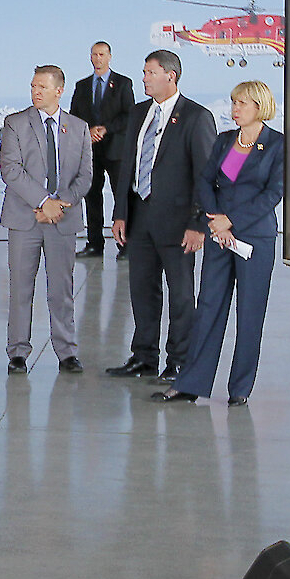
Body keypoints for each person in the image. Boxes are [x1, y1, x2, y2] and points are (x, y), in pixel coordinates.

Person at [155, 81, 286, 406]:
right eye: (233, 102)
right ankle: (190, 383)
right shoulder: (226, 140)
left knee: (250, 312)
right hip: (218, 235)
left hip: (254, 238)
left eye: (241, 103)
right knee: (209, 307)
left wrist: (233, 221)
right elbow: (205, 180)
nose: (235, 108)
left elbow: (272, 193)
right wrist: (216, 219)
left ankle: (239, 388)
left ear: (259, 106)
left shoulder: (276, 145)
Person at [105, 50, 215, 383]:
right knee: (141, 290)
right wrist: (121, 213)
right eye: (143, 72)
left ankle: (180, 361)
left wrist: (198, 225)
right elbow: (127, 167)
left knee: (181, 295)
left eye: (149, 72)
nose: (143, 78)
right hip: (139, 218)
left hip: (179, 225)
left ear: (171, 75)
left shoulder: (197, 117)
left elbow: (206, 176)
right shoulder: (139, 113)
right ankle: (143, 357)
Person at [0, 65, 92, 374]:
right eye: (33, 86)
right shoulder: (15, 124)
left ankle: (66, 352)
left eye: (42, 86)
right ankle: (17, 352)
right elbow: (11, 170)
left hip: (62, 219)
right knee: (21, 287)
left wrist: (59, 204)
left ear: (59, 91)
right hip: (25, 218)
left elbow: (85, 176)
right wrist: (43, 202)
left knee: (61, 289)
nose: (35, 91)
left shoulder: (78, 127)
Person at [70, 41, 135, 258]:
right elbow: (73, 116)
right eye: (94, 54)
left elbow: (129, 115)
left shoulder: (124, 83)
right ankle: (94, 244)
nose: (97, 58)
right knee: (92, 198)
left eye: (101, 54)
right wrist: (88, 131)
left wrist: (106, 129)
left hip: (116, 150)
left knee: (122, 197)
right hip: (90, 151)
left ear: (109, 57)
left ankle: (126, 245)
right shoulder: (81, 86)